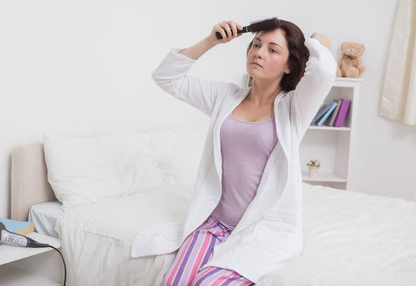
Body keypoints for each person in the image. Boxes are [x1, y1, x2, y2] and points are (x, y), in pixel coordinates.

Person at [139, 18, 336, 285]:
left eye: (272, 49)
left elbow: (323, 71)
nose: (258, 52)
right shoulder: (225, 97)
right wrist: (211, 41)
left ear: (290, 65)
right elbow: (166, 76)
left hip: (260, 231)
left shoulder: (294, 109)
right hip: (214, 224)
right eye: (255, 44)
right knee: (173, 282)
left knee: (207, 282)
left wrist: (314, 40)